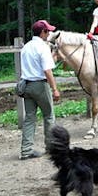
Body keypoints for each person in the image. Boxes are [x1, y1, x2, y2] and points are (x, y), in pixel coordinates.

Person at [19, 19, 60, 160]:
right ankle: (51, 148)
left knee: (29, 118)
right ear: (43, 32)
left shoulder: (26, 47)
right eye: (48, 31)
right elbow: (47, 70)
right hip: (40, 85)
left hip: (27, 85)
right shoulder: (43, 47)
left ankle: (26, 150)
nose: (49, 33)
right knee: (49, 116)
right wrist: (54, 89)